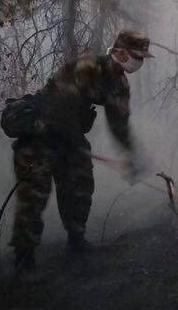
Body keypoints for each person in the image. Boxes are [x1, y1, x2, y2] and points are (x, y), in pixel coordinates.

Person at [8, 30, 152, 275]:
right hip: (40, 136)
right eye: (137, 56)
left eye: (142, 58)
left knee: (80, 183)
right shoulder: (86, 66)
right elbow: (58, 106)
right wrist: (75, 141)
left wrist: (132, 155)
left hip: (70, 138)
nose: (139, 62)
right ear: (120, 53)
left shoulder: (119, 84)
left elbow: (119, 124)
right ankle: (24, 256)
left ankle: (76, 241)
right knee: (33, 196)